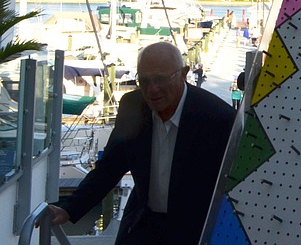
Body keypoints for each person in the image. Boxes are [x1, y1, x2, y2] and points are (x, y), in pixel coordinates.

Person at [46, 42, 235, 245]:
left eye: (160, 79)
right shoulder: (132, 106)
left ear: (183, 74)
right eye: (144, 81)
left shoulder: (218, 119)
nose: (152, 89)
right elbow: (109, 168)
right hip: (142, 225)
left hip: (193, 230)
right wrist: (68, 209)